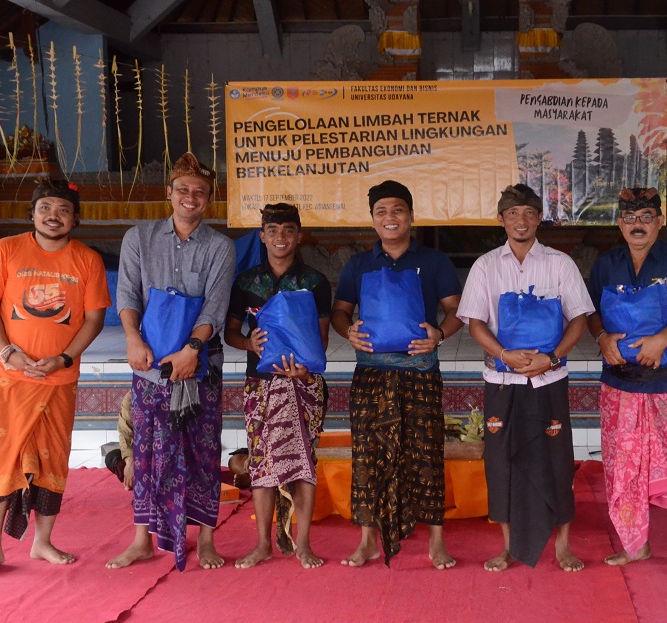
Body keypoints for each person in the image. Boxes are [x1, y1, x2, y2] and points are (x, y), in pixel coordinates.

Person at [0, 178, 110, 578]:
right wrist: (9, 352)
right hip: (6, 377)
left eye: (63, 209)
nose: (53, 215)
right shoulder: (6, 249)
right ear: (32, 213)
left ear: (75, 219)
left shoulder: (87, 260)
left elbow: (95, 319)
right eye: (45, 207)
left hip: (58, 380)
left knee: (51, 459)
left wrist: (63, 358)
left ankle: (42, 542)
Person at [107, 152, 236, 572]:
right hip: (149, 364)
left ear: (210, 199)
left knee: (202, 450)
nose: (190, 197)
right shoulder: (138, 238)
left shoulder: (221, 246)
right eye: (182, 189)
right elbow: (126, 295)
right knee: (146, 451)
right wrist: (131, 338)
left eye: (199, 192)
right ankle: (142, 539)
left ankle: (208, 540)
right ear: (169, 193)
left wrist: (191, 351)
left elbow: (214, 309)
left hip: (201, 366)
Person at [457, 184, 591, 572]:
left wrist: (551, 357)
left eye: (529, 214)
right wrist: (503, 354)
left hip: (549, 380)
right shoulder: (486, 265)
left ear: (538, 220)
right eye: (513, 214)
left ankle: (562, 545)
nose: (521, 221)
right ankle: (508, 546)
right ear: (501, 220)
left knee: (557, 460)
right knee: (501, 462)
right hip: (502, 380)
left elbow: (579, 317)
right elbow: (476, 322)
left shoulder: (559, 263)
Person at [332, 180, 463, 569]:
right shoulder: (359, 263)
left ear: (410, 215)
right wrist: (348, 331)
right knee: (368, 456)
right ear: (372, 219)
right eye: (382, 212)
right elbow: (340, 311)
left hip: (420, 374)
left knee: (426, 454)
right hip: (371, 376)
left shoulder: (435, 261)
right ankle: (368, 540)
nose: (390, 218)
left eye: (398, 210)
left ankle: (436, 540)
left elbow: (457, 311)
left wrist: (440, 334)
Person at [586, 187, 667, 578]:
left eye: (646, 217)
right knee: (623, 465)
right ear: (620, 223)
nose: (638, 224)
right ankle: (636, 545)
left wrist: (663, 340)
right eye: (630, 218)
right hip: (619, 382)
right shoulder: (605, 264)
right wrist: (601, 338)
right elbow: (590, 313)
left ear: (659, 222)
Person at [224, 203, 331, 569]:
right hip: (260, 385)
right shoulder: (246, 282)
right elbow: (231, 333)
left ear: (298, 236)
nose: (280, 237)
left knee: (304, 465)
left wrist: (305, 372)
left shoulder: (315, 282)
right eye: (273, 230)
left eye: (288, 230)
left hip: (303, 386)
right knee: (261, 465)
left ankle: (303, 544)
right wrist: (248, 344)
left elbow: (321, 340)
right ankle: (262, 544)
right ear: (262, 236)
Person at [104, 393, 134, 489]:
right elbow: (125, 432)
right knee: (112, 458)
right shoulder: (132, 396)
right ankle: (138, 485)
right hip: (143, 452)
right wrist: (130, 462)